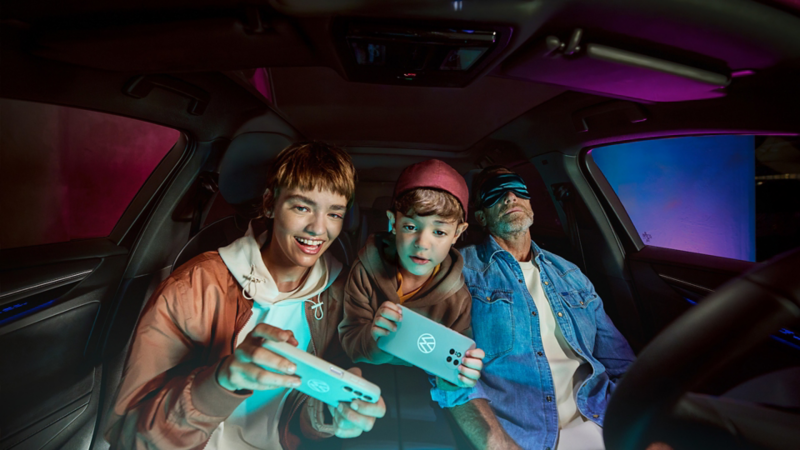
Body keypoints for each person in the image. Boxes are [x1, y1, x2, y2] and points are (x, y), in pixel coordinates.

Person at [105, 142, 386, 450]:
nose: (318, 228)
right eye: (302, 207)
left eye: (334, 213)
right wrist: (218, 382)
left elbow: (304, 411)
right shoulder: (193, 286)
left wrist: (329, 413)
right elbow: (130, 437)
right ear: (269, 204)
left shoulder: (342, 295)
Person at [441, 166, 636, 450]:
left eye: (516, 188)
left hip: (606, 421)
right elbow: (450, 372)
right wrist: (499, 445)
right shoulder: (462, 272)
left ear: (530, 203)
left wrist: (646, 423)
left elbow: (622, 364)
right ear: (481, 216)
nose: (509, 196)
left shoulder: (570, 274)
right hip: (526, 437)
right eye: (495, 193)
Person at [338, 159, 485, 392]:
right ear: (393, 222)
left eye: (439, 231)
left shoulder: (458, 298)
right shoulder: (365, 269)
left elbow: (448, 373)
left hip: (422, 391)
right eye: (410, 227)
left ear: (458, 233)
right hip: (368, 378)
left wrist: (456, 376)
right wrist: (373, 336)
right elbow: (350, 342)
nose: (422, 243)